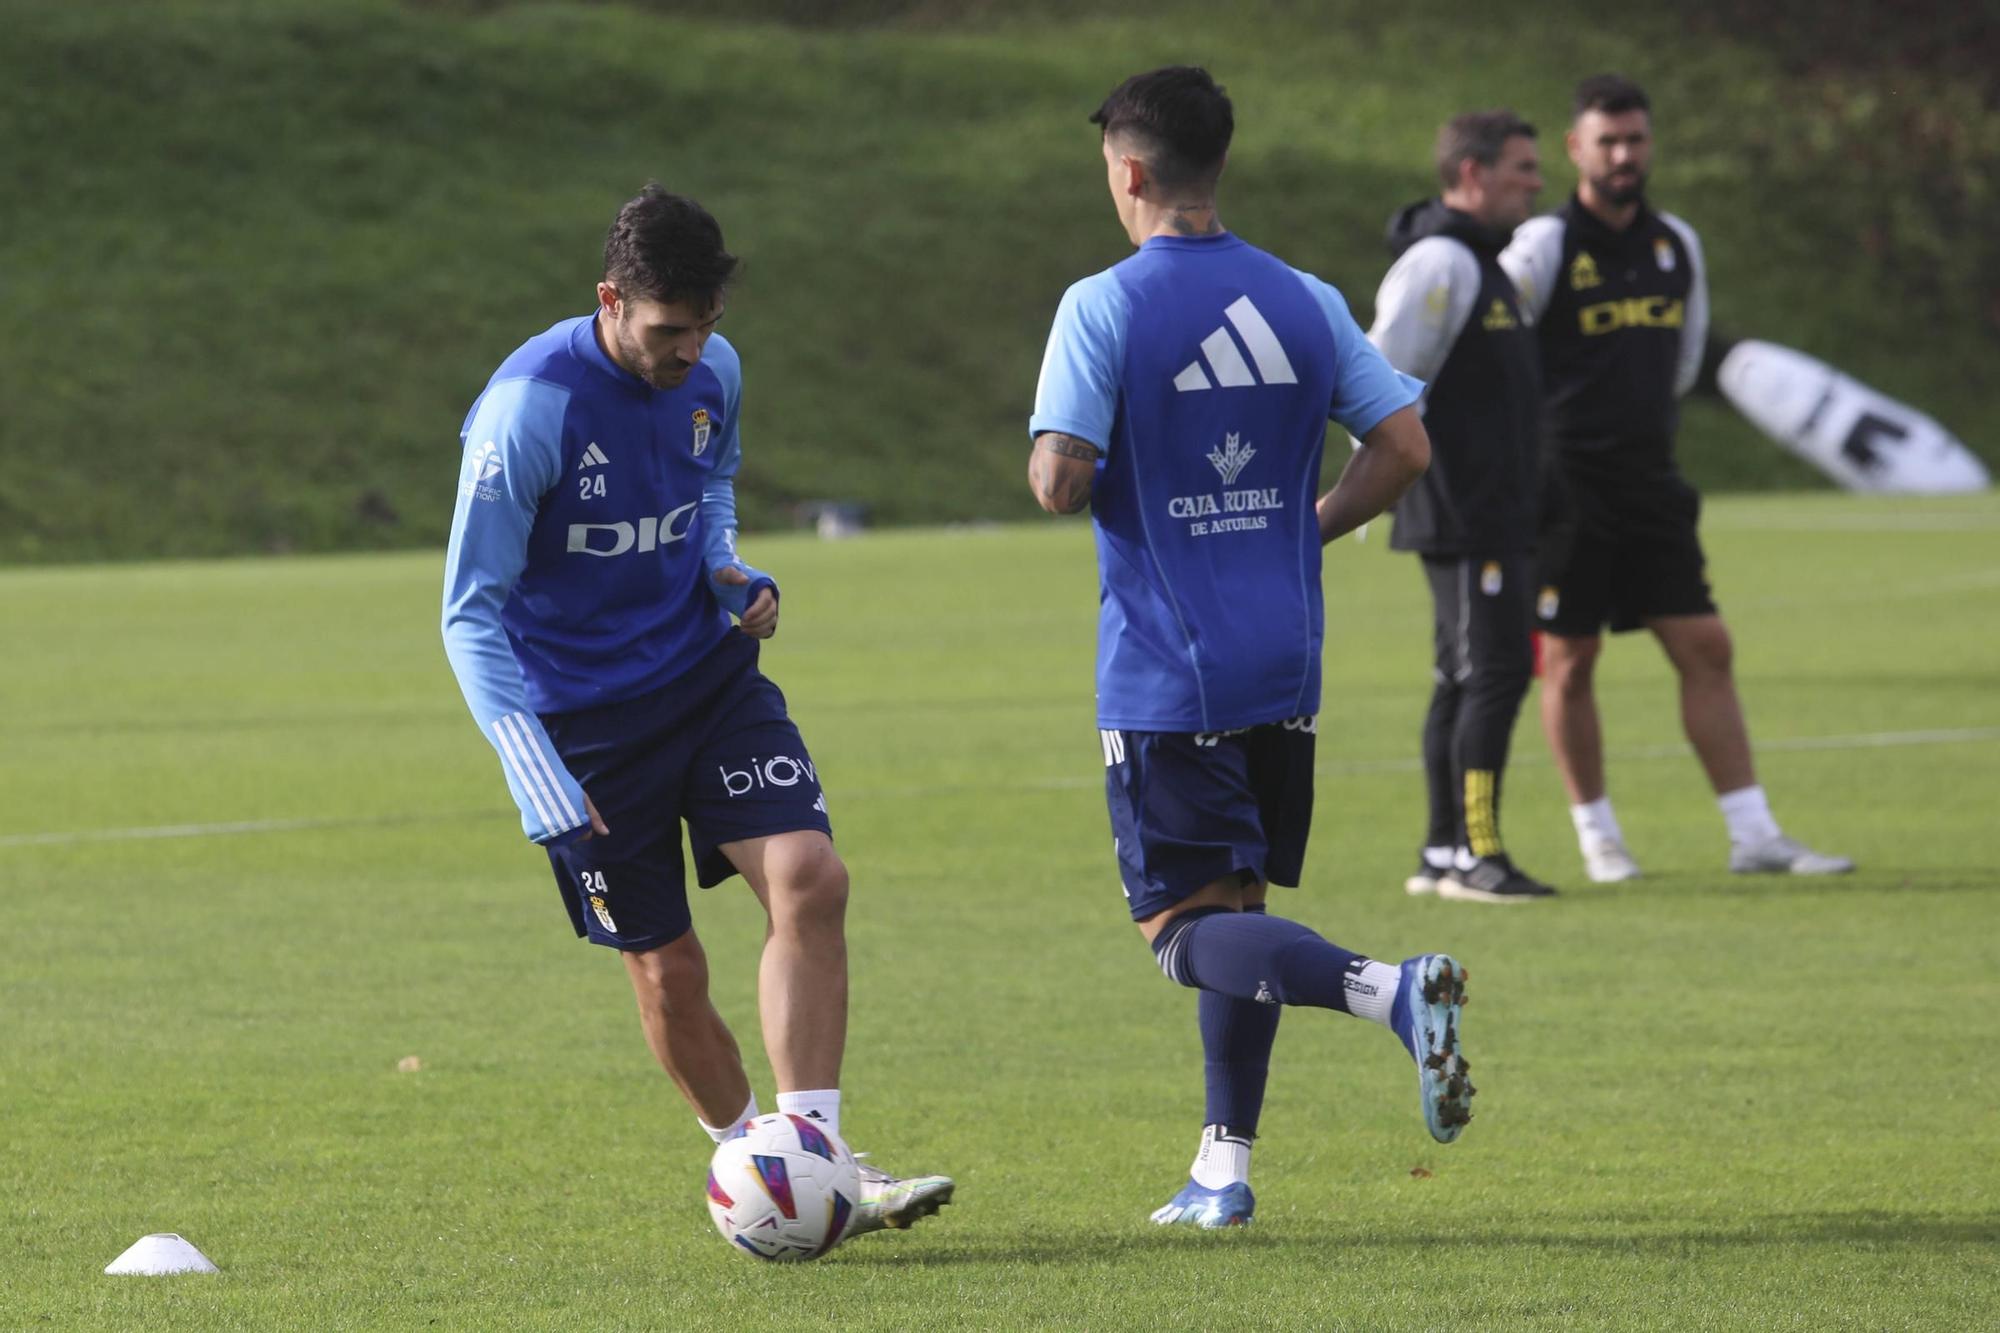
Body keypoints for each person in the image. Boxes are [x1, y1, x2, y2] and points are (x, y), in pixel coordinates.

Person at [441, 185, 951, 1238]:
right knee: (668, 967)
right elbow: (468, 614)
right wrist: (529, 764)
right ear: (610, 301)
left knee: (810, 877)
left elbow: (709, 479)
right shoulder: (528, 411)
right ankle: (758, 1173)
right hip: (580, 727)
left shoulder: (714, 369)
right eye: (666, 330)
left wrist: (723, 566)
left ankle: (820, 1162)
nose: (688, 352)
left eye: (703, 326)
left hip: (704, 677)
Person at [1027, 66, 1475, 1230]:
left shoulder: (1102, 303)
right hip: (1283, 659)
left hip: (1165, 668)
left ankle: (1388, 990)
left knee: (1180, 934)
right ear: (1214, 165)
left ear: (1125, 171)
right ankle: (1222, 1166)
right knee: (1236, 912)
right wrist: (1304, 524)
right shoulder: (1302, 296)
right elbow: (1403, 446)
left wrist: (1074, 448)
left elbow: (1058, 480)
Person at [1499, 76, 1854, 883]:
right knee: (1572, 657)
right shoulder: (1544, 247)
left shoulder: (1675, 245)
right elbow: (1498, 349)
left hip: (1650, 479)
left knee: (1704, 644)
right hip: (1564, 484)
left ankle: (1754, 833)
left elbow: (1687, 357)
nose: (1625, 155)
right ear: (1575, 150)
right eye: (1608, 141)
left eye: (1636, 140)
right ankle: (1600, 838)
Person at [1367, 109, 1558, 904]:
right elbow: (1377, 375)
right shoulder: (1441, 261)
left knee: (1463, 674)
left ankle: (1443, 849)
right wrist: (1372, 481)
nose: (1537, 183)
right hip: (1464, 513)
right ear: (1471, 174)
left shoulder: (1488, 264)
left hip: (1491, 512)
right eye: (1521, 168)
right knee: (1496, 672)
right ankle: (1477, 852)